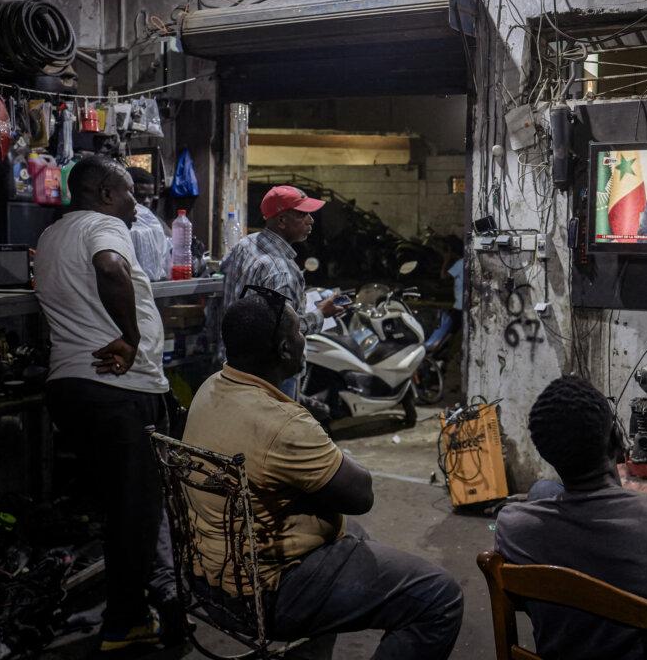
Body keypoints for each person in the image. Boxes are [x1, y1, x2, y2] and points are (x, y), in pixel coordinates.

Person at [182, 293, 463, 660]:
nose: (305, 338)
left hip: (209, 573)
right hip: (266, 592)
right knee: (439, 597)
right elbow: (361, 496)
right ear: (285, 349)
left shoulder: (210, 388)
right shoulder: (283, 424)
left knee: (353, 536)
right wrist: (327, 447)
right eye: (300, 331)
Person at [34, 155, 180, 652]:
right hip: (118, 390)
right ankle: (126, 624)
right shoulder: (101, 226)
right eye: (127, 191)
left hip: (70, 388)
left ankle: (132, 606)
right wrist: (132, 336)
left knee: (116, 509)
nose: (135, 200)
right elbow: (111, 267)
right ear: (104, 194)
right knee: (136, 513)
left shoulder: (53, 234)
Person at [495, 375, 647, 660]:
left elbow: (527, 604)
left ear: (547, 454)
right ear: (617, 440)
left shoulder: (512, 528)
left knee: (542, 490)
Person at [220, 185, 340, 399]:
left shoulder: (245, 245)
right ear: (282, 221)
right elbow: (285, 334)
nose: (311, 220)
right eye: (302, 214)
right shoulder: (282, 272)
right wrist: (321, 314)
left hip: (234, 365)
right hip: (271, 376)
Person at [127, 166, 173, 281]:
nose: (147, 201)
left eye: (150, 196)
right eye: (141, 196)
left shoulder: (155, 222)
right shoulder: (116, 222)